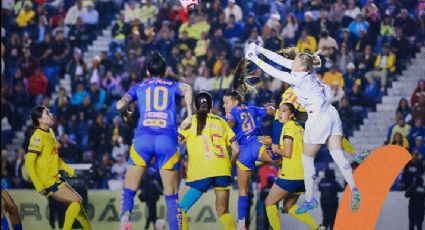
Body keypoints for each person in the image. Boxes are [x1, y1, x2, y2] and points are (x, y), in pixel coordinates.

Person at [245, 43, 362, 214]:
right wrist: (260, 49)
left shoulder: (298, 78)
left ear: (301, 66)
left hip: (318, 116)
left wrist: (254, 58)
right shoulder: (307, 71)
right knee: (337, 154)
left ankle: (310, 199)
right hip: (331, 112)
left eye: (296, 61)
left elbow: (274, 72)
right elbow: (280, 60)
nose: (292, 62)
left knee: (307, 159)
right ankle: (354, 189)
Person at [116, 51, 193, 230]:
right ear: (165, 72)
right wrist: (189, 115)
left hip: (143, 138)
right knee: (171, 195)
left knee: (129, 189)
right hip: (167, 139)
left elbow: (120, 104)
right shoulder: (172, 85)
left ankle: (125, 221)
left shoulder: (139, 87)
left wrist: (125, 114)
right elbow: (188, 88)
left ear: (148, 73)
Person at [177, 92, 240, 230]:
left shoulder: (191, 121)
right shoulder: (222, 122)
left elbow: (174, 142)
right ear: (212, 105)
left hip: (201, 171)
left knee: (179, 210)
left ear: (195, 105)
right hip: (223, 170)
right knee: (223, 212)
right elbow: (236, 150)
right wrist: (229, 164)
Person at [24, 106, 91, 230]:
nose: (51, 114)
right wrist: (38, 184)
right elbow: (29, 162)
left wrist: (66, 168)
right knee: (77, 200)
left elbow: (54, 157)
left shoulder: (50, 132)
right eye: (47, 113)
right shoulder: (37, 137)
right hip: (47, 182)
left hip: (56, 179)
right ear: (40, 119)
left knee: (78, 207)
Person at [265, 102, 324, 230]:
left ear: (291, 115)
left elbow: (287, 152)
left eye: (284, 110)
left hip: (291, 175)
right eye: (280, 110)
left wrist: (274, 149)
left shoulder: (287, 128)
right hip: (304, 176)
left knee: (269, 202)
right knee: (288, 206)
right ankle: (317, 227)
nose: (280, 113)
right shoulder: (300, 128)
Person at [222, 91, 275, 230]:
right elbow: (270, 111)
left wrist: (229, 122)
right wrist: (272, 107)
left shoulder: (230, 113)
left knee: (243, 191)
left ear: (235, 102)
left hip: (243, 151)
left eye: (226, 102)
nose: (223, 105)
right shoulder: (252, 108)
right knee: (278, 159)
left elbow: (232, 123)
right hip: (257, 143)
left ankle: (241, 223)